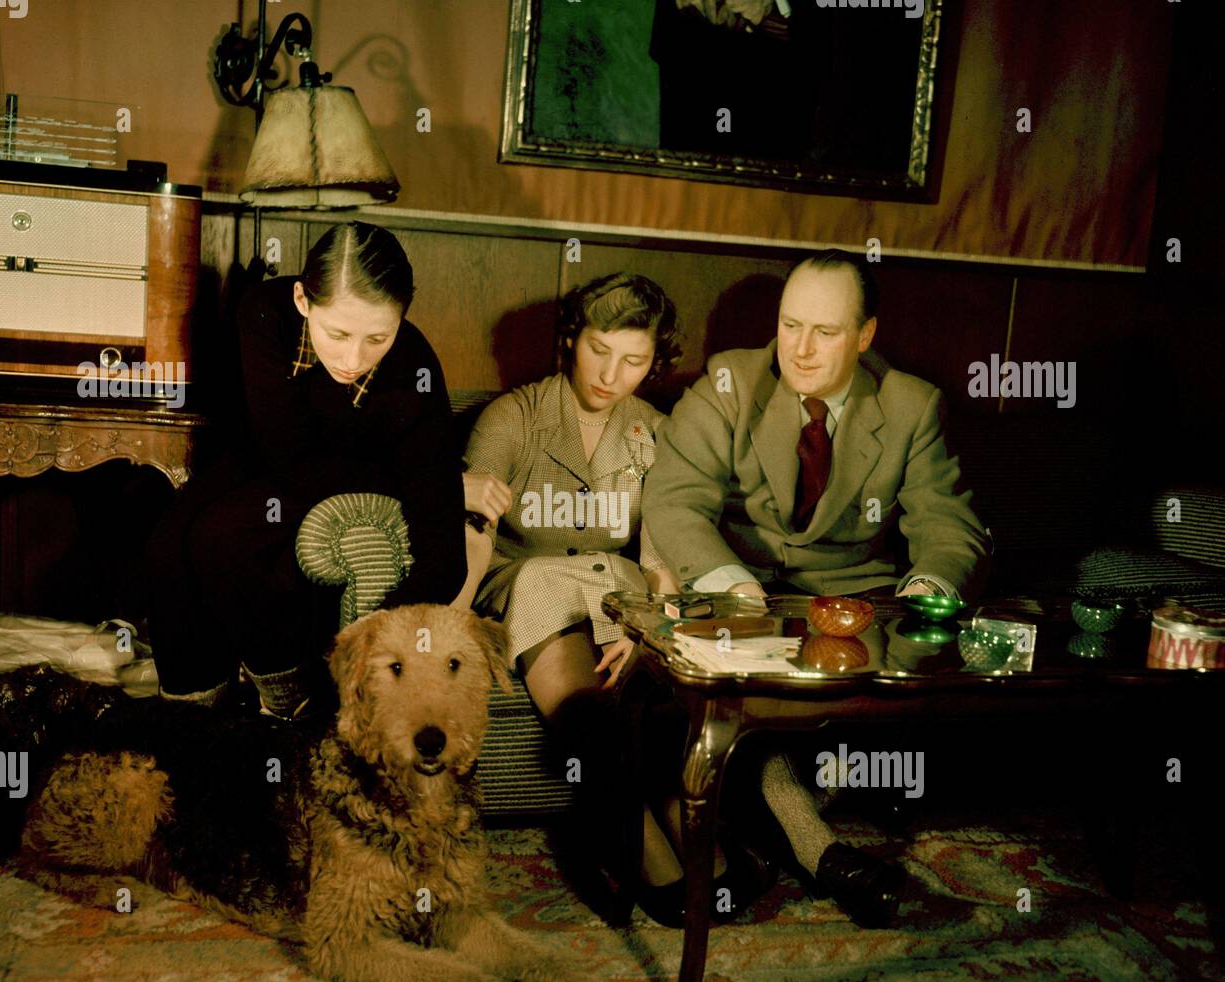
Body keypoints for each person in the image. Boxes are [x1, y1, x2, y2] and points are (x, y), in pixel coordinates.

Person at [642, 248, 991, 927]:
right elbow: (677, 502)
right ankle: (827, 858)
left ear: (865, 336)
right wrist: (735, 592)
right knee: (730, 717)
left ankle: (786, 833)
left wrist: (921, 597)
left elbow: (950, 528)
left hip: (853, 615)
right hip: (740, 603)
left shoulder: (911, 405)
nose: (798, 349)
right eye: (789, 325)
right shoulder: (729, 383)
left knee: (766, 739)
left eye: (824, 332)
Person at [455, 273, 764, 927]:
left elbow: (662, 552)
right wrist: (453, 613)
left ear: (656, 363)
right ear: (570, 340)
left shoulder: (655, 430)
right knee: (548, 600)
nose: (610, 373)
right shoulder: (515, 415)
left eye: (633, 360)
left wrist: (650, 629)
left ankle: (685, 830)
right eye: (599, 350)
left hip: (618, 591)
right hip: (529, 582)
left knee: (656, 697)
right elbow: (476, 528)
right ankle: (637, 843)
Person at [144, 222, 466, 718]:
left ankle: (289, 700)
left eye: (378, 337)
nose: (354, 358)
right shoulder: (263, 309)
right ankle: (190, 718)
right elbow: (286, 451)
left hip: (343, 483)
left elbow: (447, 555)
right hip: (272, 456)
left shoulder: (416, 370)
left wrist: (373, 637)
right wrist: (400, 476)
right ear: (302, 300)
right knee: (166, 545)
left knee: (222, 538)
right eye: (337, 333)